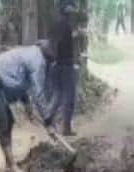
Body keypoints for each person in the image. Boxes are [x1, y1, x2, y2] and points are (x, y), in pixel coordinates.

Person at [0, 41, 57, 172]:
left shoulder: (32, 53)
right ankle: (12, 166)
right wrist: (48, 121)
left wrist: (27, 105)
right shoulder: (38, 61)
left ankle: (9, 163)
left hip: (0, 78)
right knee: (4, 122)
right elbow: (38, 93)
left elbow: (21, 80)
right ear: (48, 59)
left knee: (9, 121)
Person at [50, 0, 79, 136]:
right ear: (68, 10)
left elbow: (54, 44)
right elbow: (66, 45)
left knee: (58, 95)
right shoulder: (68, 25)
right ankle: (66, 128)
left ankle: (48, 121)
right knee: (70, 97)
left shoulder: (55, 23)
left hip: (55, 65)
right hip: (66, 65)